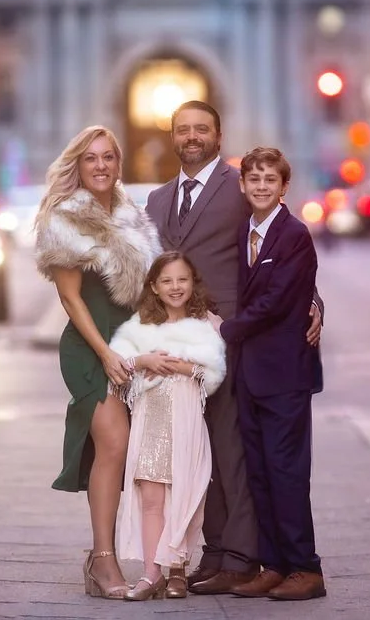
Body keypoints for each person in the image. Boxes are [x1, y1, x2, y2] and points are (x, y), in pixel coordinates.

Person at [144, 100, 323, 594]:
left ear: (218, 136)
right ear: (173, 136)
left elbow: (278, 248)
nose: (192, 137)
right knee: (194, 451)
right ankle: (214, 550)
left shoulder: (238, 186)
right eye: (184, 130)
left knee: (231, 451)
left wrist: (313, 301)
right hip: (176, 345)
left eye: (202, 129)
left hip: (230, 341)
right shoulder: (157, 200)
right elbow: (143, 269)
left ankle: (242, 556)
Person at [34, 125, 162, 599]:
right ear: (78, 166)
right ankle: (104, 560)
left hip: (131, 345)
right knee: (114, 442)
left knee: (124, 450)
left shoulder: (132, 216)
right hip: (91, 348)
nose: (101, 166)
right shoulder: (67, 217)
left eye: (109, 157)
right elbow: (70, 299)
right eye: (91, 159)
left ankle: (106, 557)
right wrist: (106, 354)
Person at [220, 147, 325, 601]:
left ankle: (306, 567)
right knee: (259, 473)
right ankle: (273, 563)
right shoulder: (244, 230)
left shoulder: (294, 235)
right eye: (254, 179)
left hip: (284, 374)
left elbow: (277, 299)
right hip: (249, 374)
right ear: (243, 186)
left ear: (284, 187)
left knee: (287, 472)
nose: (261, 187)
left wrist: (223, 329)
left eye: (270, 180)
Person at [109, 251, 227, 601]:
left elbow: (215, 376)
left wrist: (182, 368)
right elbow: (118, 366)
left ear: (193, 283)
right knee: (151, 498)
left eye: (182, 279)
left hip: (186, 420)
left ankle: (178, 570)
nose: (175, 287)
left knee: (184, 495)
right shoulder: (140, 326)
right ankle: (151, 574)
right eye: (167, 281)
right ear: (154, 288)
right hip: (149, 421)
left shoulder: (208, 325)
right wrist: (141, 360)